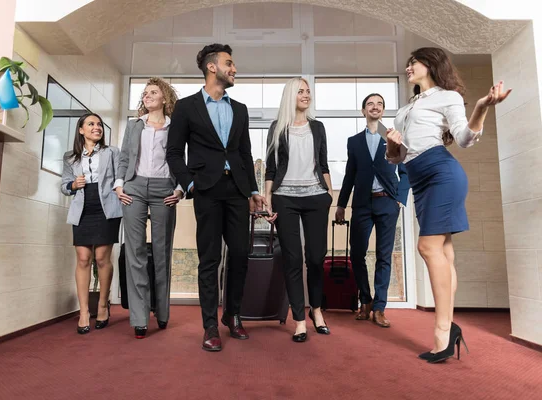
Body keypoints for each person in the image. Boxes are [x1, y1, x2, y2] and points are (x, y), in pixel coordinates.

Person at [386, 47, 511, 363]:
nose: (408, 67)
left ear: (430, 64)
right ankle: (450, 327)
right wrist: (391, 144)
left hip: (442, 172)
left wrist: (482, 106)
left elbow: (465, 138)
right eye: (407, 63)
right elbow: (396, 158)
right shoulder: (403, 110)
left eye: (413, 61)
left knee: (428, 248)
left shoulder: (448, 97)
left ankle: (442, 332)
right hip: (418, 179)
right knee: (444, 252)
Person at [166, 43, 267, 352]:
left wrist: (252, 189)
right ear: (212, 67)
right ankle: (210, 324)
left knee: (238, 254)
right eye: (229, 63)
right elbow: (173, 153)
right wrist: (190, 184)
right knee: (209, 258)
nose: (234, 68)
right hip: (206, 190)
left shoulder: (240, 110)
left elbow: (245, 153)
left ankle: (232, 315)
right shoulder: (186, 107)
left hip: (236, 189)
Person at [264, 77, 332, 343]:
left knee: (316, 258)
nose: (306, 95)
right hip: (285, 199)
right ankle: (300, 321)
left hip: (317, 197)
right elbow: (271, 167)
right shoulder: (277, 128)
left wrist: (330, 195)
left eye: (308, 91)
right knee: (292, 260)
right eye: (300, 91)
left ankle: (316, 310)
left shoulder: (318, 127)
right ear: (290, 96)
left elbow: (323, 164)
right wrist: (269, 197)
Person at [114, 77, 182, 339]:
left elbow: (181, 159)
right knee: (135, 253)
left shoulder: (175, 127)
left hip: (165, 189)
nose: (147, 95)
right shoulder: (134, 126)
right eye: (145, 92)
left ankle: (162, 313)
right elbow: (124, 157)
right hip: (134, 188)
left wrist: (179, 189)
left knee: (163, 252)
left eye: (153, 92)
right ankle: (140, 318)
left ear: (164, 98)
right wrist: (120, 185)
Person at [335, 93, 410, 328]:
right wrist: (341, 205)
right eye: (370, 104)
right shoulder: (354, 142)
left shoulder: (394, 138)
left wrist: (400, 198)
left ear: (383, 110)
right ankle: (365, 302)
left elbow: (406, 171)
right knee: (357, 254)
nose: (375, 107)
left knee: (383, 256)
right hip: (362, 204)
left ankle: (379, 308)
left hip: (387, 202)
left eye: (379, 104)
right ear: (363, 111)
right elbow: (350, 176)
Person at [60, 113, 122, 334]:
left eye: (99, 124)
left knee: (101, 258)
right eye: (91, 124)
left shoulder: (111, 152)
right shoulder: (70, 157)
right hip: (82, 208)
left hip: (107, 206)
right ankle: (84, 311)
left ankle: (103, 306)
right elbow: (64, 186)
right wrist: (73, 185)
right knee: (83, 258)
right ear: (81, 130)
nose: (97, 127)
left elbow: (120, 177)